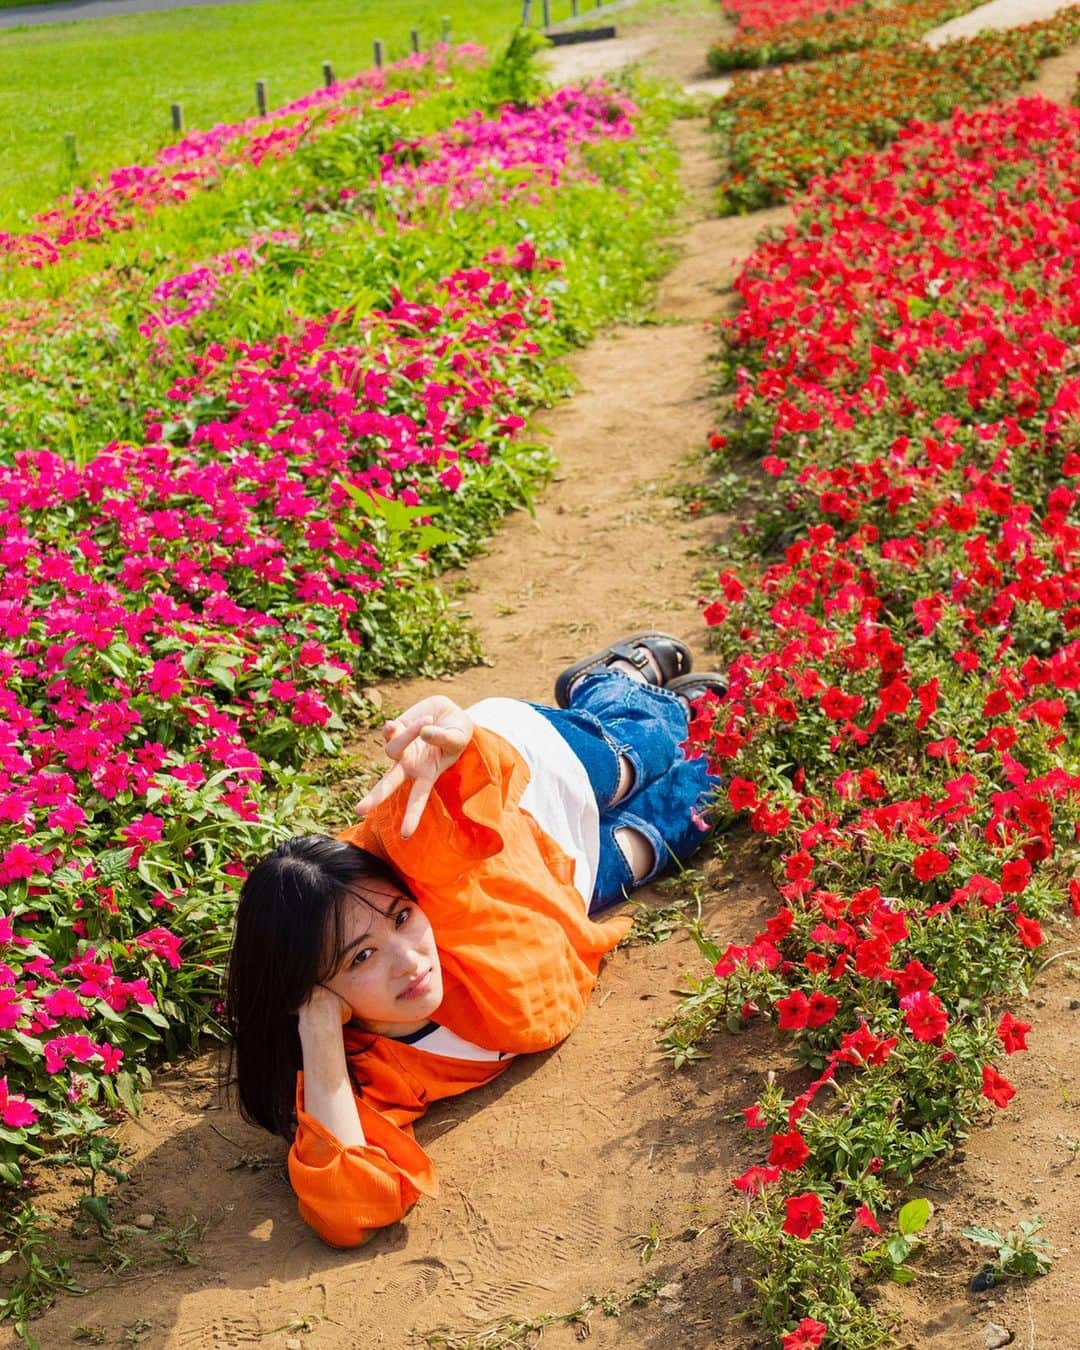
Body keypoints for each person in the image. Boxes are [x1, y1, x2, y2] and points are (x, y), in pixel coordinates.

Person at [225, 633, 725, 1248]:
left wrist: (458, 744)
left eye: (403, 918)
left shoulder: (422, 863)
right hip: (562, 889)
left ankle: (614, 678)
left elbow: (427, 821)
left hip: (530, 794)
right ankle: (658, 718)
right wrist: (319, 1033)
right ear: (313, 989)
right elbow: (350, 1207)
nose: (411, 960)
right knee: (704, 796)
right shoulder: (378, 1071)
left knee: (649, 743)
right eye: (360, 956)